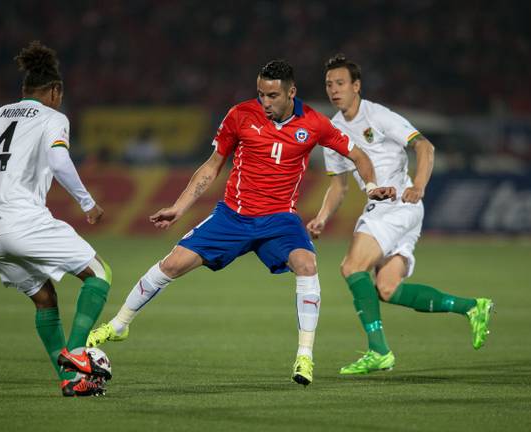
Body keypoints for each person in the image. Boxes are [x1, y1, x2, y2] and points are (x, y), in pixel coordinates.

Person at [86, 59, 395, 386]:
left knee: (307, 265)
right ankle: (120, 324)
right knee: (172, 264)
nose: (265, 102)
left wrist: (372, 188)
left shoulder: (315, 123)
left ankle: (305, 356)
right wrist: (180, 206)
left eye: (273, 96)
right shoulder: (239, 115)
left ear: (291, 92)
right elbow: (212, 165)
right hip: (234, 216)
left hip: (279, 219)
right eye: (261, 94)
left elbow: (359, 156)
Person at [306, 54, 494, 375]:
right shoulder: (332, 133)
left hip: (396, 205)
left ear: (356, 86)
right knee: (387, 289)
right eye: (328, 85)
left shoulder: (377, 115)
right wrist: (323, 217)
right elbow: (339, 186)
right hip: (393, 211)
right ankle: (472, 307)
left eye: (340, 83)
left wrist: (419, 184)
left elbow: (425, 147)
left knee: (352, 267)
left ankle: (379, 351)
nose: (334, 90)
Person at [0, 41, 113, 396]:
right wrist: (87, 203)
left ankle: (73, 382)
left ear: (23, 90)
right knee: (100, 275)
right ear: (55, 91)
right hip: (26, 223)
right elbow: (59, 162)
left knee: (45, 298)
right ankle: (76, 356)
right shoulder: (53, 118)